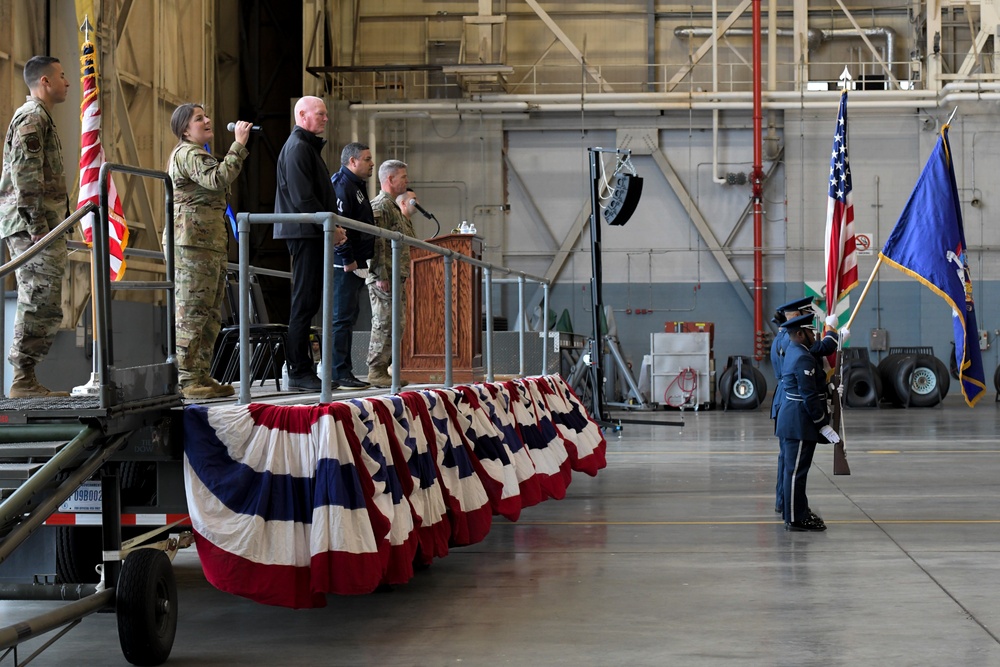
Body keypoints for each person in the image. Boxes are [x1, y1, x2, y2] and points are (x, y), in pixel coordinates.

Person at [166, 104, 251, 399]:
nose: (207, 121)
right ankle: (186, 379)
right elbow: (216, 179)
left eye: (206, 116)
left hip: (207, 243)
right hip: (191, 244)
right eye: (199, 118)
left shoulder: (199, 153)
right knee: (192, 311)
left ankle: (201, 373)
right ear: (185, 129)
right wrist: (238, 145)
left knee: (211, 313)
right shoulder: (188, 153)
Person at [0, 56, 72, 398]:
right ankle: (22, 380)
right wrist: (39, 229)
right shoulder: (31, 117)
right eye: (61, 76)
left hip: (41, 224)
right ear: (44, 81)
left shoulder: (40, 117)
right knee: (37, 298)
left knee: (46, 300)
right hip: (33, 226)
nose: (67, 81)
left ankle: (25, 378)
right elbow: (25, 177)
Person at [273, 96, 346, 392]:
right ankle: (299, 370)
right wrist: (332, 227)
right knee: (304, 302)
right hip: (305, 233)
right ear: (302, 115)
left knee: (309, 301)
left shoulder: (306, 147)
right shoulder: (298, 148)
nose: (326, 118)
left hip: (311, 232)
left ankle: (303, 369)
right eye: (321, 114)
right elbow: (304, 198)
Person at [775, 313, 841, 532]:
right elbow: (808, 395)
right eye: (812, 332)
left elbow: (812, 385)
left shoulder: (797, 350)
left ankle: (794, 510)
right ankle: (796, 518)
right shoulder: (802, 356)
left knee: (792, 470)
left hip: (793, 418)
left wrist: (830, 389)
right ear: (801, 334)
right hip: (799, 421)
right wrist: (822, 423)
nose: (815, 335)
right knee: (796, 472)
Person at [329, 142, 376, 389]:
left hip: (357, 262)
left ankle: (342, 369)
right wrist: (347, 259)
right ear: (352, 161)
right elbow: (340, 227)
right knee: (342, 318)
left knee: (348, 317)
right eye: (367, 159)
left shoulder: (356, 186)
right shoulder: (342, 185)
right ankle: (338, 371)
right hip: (345, 263)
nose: (371, 164)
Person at [366, 160, 413, 388]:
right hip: (384, 276)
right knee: (384, 323)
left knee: (397, 323)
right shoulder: (380, 206)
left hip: (396, 275)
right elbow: (377, 243)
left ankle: (384, 369)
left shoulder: (393, 206)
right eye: (403, 177)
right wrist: (381, 274)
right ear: (390, 179)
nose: (406, 181)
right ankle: (376, 370)